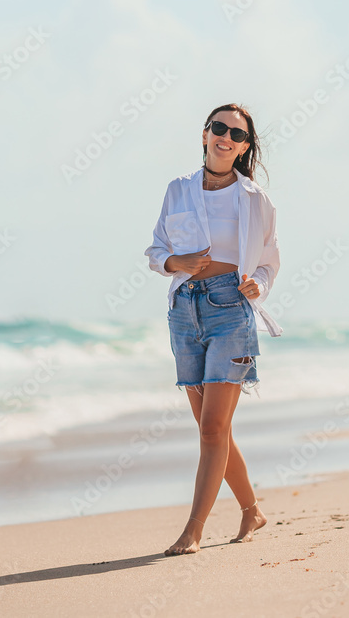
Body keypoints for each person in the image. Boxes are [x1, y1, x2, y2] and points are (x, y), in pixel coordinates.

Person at [144, 103, 282, 556]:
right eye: (219, 128)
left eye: (237, 134)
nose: (226, 137)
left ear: (244, 147)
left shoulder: (254, 198)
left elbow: (268, 261)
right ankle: (251, 511)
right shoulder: (178, 189)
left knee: (212, 429)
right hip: (185, 311)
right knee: (212, 428)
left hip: (230, 309)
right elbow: (156, 248)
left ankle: (194, 529)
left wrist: (257, 285)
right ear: (205, 134)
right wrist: (173, 263)